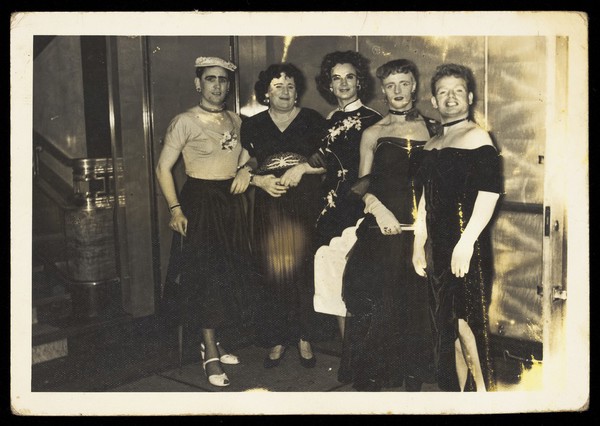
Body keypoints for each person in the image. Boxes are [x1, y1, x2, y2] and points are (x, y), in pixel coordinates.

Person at [156, 56, 256, 388]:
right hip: (199, 202)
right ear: (198, 83)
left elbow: (248, 156)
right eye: (210, 79)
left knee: (227, 274)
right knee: (206, 277)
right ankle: (210, 352)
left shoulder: (237, 120)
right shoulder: (184, 121)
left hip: (231, 201)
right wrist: (175, 209)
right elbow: (163, 168)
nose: (217, 85)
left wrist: (247, 169)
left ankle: (213, 340)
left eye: (223, 80)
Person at [339, 59, 439, 392]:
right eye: (391, 85)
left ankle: (413, 373)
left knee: (417, 302)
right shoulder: (374, 132)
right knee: (375, 296)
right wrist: (378, 209)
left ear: (415, 86)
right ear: (383, 90)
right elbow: (359, 186)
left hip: (421, 228)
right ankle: (373, 377)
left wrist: (425, 225)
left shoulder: (434, 129)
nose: (398, 91)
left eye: (404, 83)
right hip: (382, 226)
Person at [413, 63, 503, 392]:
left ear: (470, 96)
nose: (451, 97)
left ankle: (482, 395)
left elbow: (489, 194)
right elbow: (424, 200)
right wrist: (416, 243)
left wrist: (465, 243)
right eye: (443, 92)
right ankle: (459, 396)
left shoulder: (478, 135)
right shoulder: (432, 143)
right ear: (434, 101)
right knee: (447, 326)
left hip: (466, 246)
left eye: (457, 91)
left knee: (467, 324)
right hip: (437, 247)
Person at [239, 63, 329, 369]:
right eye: (278, 87)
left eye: (290, 86)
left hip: (304, 206)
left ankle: (305, 337)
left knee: (303, 271)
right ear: (266, 92)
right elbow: (248, 161)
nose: (285, 92)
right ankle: (277, 338)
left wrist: (301, 168)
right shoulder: (252, 125)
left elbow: (325, 163)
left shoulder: (312, 121)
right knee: (272, 271)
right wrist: (257, 179)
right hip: (269, 208)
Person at [310, 50, 382, 340]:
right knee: (333, 279)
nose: (342, 84)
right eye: (336, 78)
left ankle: (362, 352)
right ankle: (347, 352)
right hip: (329, 209)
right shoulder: (330, 119)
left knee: (357, 282)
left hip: (357, 210)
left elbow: (378, 173)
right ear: (328, 84)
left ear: (359, 82)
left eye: (349, 77)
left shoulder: (373, 120)